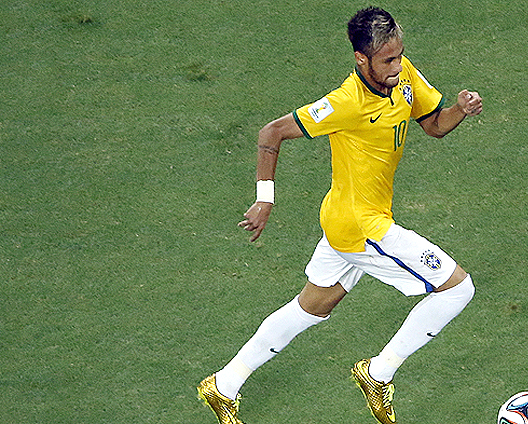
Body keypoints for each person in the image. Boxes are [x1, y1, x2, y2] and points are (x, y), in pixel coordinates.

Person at [197, 6, 483, 424]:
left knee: (310, 307)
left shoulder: (402, 77)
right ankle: (378, 374)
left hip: (343, 220)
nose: (397, 66)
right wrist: (265, 198)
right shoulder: (346, 103)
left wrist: (459, 108)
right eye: (387, 60)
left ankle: (223, 384)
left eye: (399, 56)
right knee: (458, 289)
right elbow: (271, 132)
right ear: (361, 59)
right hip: (363, 227)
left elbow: (434, 124)